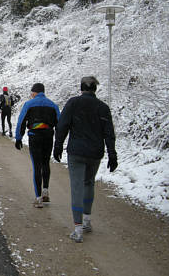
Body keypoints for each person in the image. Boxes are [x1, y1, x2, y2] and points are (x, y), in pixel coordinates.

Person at [53, 76, 117, 243]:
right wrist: (112, 154)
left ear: (81, 88)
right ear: (95, 89)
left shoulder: (73, 103)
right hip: (95, 153)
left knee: (76, 187)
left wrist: (58, 146)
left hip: (77, 152)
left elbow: (62, 126)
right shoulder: (103, 108)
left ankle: (78, 228)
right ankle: (87, 221)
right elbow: (109, 133)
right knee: (89, 183)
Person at [14, 83, 60, 208]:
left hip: (35, 137)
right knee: (46, 163)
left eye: (31, 93)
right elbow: (59, 124)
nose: (31, 95)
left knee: (37, 165)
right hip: (48, 137)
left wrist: (18, 138)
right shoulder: (53, 105)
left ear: (34, 92)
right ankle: (45, 191)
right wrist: (59, 143)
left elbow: (21, 122)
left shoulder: (29, 104)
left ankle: (38, 198)